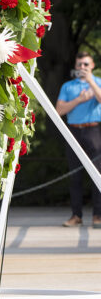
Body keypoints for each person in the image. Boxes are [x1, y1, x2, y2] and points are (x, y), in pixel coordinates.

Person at [56, 51, 101, 228]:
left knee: (97, 174)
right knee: (75, 176)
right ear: (75, 66)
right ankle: (76, 215)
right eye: (80, 64)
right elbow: (59, 110)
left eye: (86, 64)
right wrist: (79, 99)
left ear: (92, 66)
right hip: (73, 132)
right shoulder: (68, 86)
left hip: (94, 131)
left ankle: (98, 215)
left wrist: (90, 81)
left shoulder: (98, 82)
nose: (82, 68)